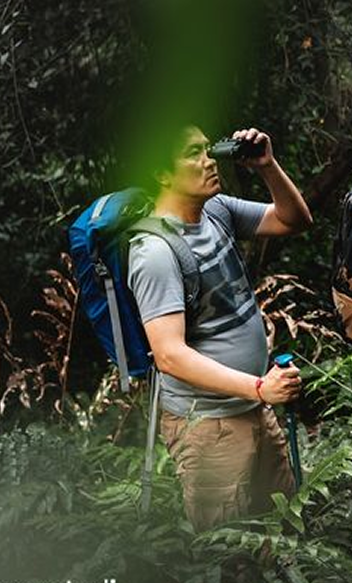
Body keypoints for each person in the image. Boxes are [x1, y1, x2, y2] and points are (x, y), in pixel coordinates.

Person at [128, 125, 313, 530]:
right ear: (161, 174)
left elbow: (294, 220)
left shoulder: (217, 210)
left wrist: (267, 166)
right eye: (193, 153)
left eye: (208, 150)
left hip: (253, 406)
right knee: (229, 551)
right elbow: (169, 355)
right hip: (208, 425)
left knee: (280, 529)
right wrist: (259, 387)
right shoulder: (154, 252)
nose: (209, 160)